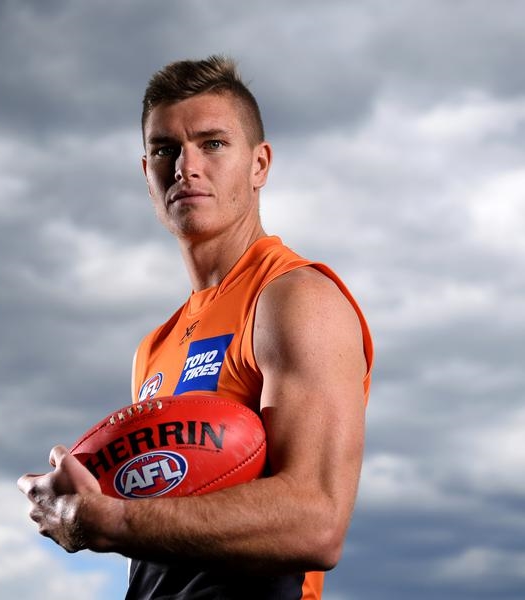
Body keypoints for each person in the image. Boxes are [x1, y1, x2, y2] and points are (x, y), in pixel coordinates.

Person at [18, 55, 373, 600]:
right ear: (147, 173)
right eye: (166, 149)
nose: (186, 166)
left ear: (259, 165)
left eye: (212, 143)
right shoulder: (153, 347)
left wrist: (109, 520)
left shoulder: (294, 298)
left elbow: (317, 522)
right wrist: (84, 496)